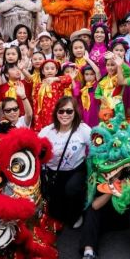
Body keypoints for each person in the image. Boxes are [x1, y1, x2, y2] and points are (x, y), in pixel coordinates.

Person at [38, 96, 90, 227]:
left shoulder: (82, 129)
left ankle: (77, 214)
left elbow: (99, 146)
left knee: (71, 190)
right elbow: (36, 151)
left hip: (75, 171)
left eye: (69, 111)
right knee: (56, 214)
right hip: (54, 174)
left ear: (75, 112)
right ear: (56, 113)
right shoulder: (47, 131)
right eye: (61, 111)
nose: (64, 114)